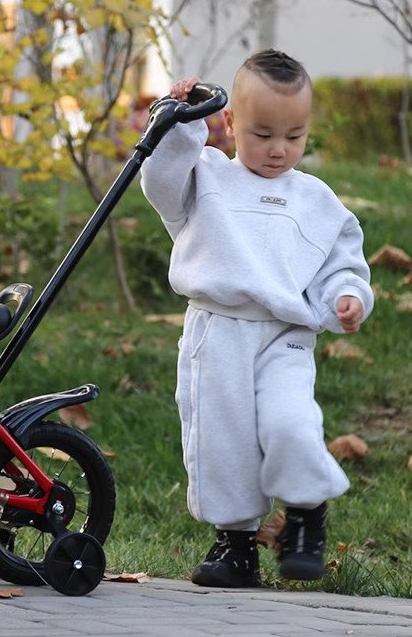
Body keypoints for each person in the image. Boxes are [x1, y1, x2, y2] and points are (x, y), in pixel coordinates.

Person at [140, 49, 373, 588]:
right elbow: (160, 181)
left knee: (292, 422)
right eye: (263, 133)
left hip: (286, 335)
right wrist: (178, 120)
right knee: (222, 437)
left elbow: (343, 264)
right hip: (216, 331)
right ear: (230, 122)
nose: (277, 149)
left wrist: (348, 297)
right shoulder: (207, 181)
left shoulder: (316, 199)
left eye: (294, 136)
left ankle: (304, 514)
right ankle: (236, 545)